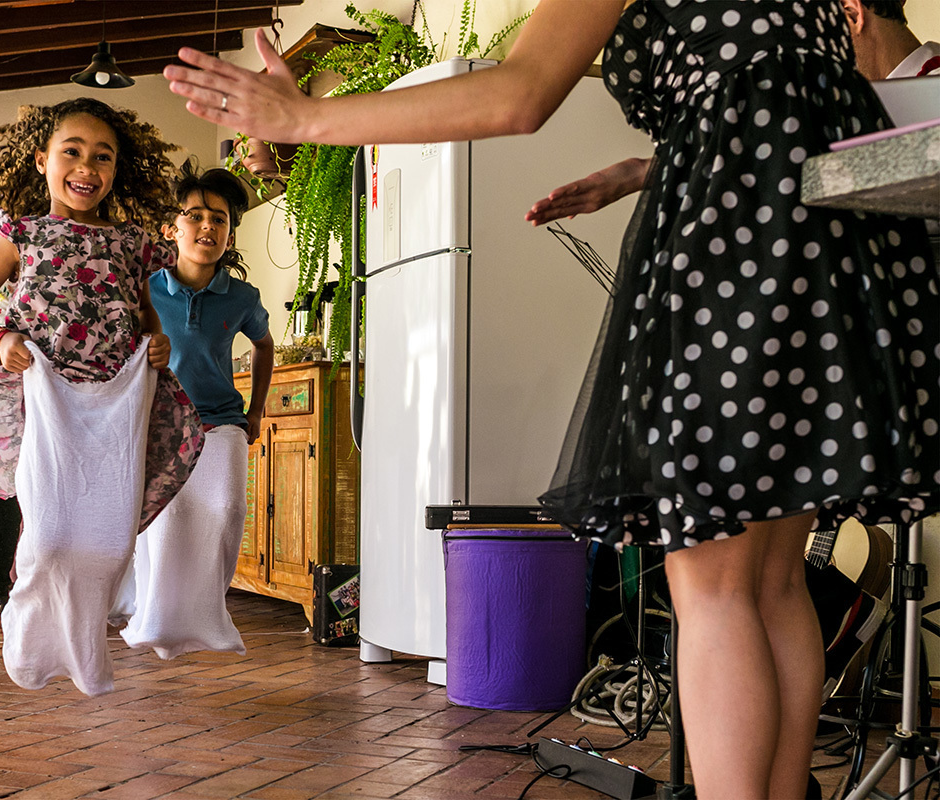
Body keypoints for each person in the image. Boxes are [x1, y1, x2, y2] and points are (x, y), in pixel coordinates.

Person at [164, 2, 940, 798]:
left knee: (713, 585)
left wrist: (303, 116)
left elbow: (518, 94)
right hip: (829, 241)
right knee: (773, 580)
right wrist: (651, 167)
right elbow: (779, 98)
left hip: (733, 242)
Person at [0, 97, 204, 696]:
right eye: (72, 152)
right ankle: (29, 621)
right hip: (46, 397)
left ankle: (85, 644)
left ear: (117, 170)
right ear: (42, 161)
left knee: (110, 540)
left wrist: (159, 343)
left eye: (102, 157)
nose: (86, 167)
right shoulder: (21, 234)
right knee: (53, 534)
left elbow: (147, 321)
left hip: (118, 402)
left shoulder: (131, 243)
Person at [527, 0, 938, 228]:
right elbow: (781, 164)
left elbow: (829, 171)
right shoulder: (841, 107)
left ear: (850, 14)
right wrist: (644, 172)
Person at [115, 161, 274, 659]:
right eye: (196, 215)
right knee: (163, 519)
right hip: (157, 422)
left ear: (229, 234)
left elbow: (265, 347)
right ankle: (154, 618)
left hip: (222, 420)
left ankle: (206, 615)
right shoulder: (143, 286)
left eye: (220, 219)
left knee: (226, 510)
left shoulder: (243, 296)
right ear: (171, 229)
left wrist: (257, 411)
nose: (208, 226)